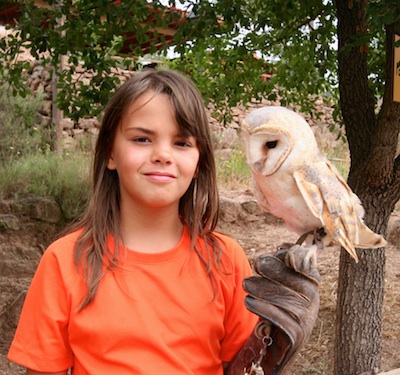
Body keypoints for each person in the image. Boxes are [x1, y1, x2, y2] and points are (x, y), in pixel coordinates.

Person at [8, 69, 319, 375]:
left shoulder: (225, 260)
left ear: (199, 162)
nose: (162, 155)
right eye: (142, 139)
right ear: (109, 153)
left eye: (182, 143)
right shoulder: (65, 261)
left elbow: (242, 368)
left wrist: (272, 352)